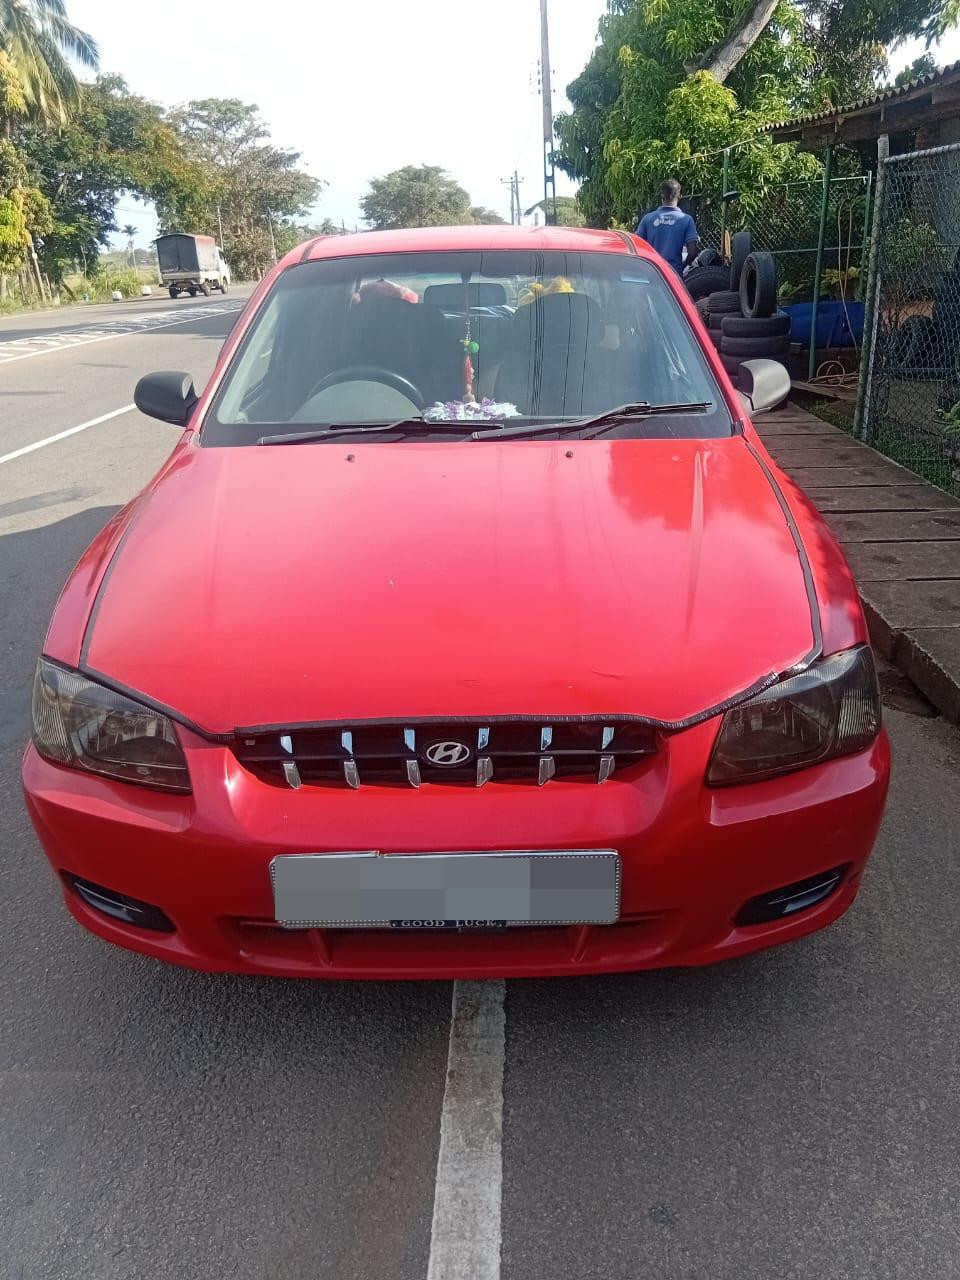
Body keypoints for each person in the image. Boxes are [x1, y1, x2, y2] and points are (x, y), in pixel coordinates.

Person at [636, 180, 700, 276]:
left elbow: (637, 245)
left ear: (662, 196)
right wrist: (682, 266)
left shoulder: (648, 218)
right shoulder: (686, 220)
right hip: (673, 273)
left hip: (650, 272)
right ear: (680, 197)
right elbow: (692, 251)